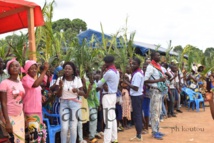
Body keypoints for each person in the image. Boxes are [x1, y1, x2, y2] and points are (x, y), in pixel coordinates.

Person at [55, 61, 85, 143]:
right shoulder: (60, 79)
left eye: (69, 69)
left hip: (75, 104)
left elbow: (83, 93)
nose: (67, 70)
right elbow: (58, 95)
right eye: (65, 69)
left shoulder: (77, 79)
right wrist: (61, 87)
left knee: (73, 127)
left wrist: (77, 91)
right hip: (63, 104)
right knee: (64, 128)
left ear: (73, 71)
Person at [21, 60, 49, 142]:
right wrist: (44, 70)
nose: (34, 70)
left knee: (39, 135)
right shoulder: (25, 79)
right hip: (30, 112)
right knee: (34, 136)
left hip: (37, 111)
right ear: (27, 70)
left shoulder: (34, 79)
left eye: (35, 68)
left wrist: (41, 96)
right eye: (31, 69)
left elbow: (35, 90)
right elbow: (35, 85)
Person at [0, 58, 25, 143]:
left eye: (17, 66)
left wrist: (23, 115)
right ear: (8, 69)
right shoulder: (4, 83)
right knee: (13, 139)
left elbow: (21, 100)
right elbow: (3, 103)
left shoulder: (20, 82)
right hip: (10, 116)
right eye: (12, 66)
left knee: (20, 140)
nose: (14, 67)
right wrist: (7, 122)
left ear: (20, 69)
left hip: (20, 116)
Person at [97, 55, 120, 143]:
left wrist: (102, 72)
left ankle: (107, 140)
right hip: (113, 96)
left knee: (107, 120)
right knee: (112, 118)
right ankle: (114, 139)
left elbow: (99, 84)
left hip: (107, 97)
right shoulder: (116, 72)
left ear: (107, 63)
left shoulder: (108, 73)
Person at [144, 52, 167, 140]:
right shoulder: (150, 67)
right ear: (153, 57)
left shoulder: (157, 66)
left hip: (159, 91)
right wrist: (159, 80)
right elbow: (145, 81)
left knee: (158, 112)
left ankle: (156, 130)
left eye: (159, 55)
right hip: (154, 92)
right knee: (155, 112)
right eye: (157, 55)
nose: (159, 56)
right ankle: (154, 132)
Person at [123, 57, 144, 141]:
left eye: (134, 64)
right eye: (132, 63)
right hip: (137, 96)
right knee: (137, 114)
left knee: (137, 115)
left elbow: (135, 88)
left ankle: (139, 134)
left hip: (137, 96)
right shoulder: (136, 72)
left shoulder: (138, 74)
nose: (132, 65)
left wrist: (126, 82)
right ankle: (138, 134)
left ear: (138, 65)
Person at [86, 72, 99, 143]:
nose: (93, 76)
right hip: (88, 104)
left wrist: (98, 104)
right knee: (93, 119)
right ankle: (91, 137)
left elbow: (95, 95)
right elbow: (88, 94)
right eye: (91, 75)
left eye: (93, 75)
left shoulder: (94, 84)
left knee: (94, 120)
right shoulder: (87, 83)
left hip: (94, 104)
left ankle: (93, 134)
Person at [141, 62, 150, 134]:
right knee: (141, 111)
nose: (144, 69)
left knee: (146, 111)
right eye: (143, 67)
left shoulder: (149, 76)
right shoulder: (141, 74)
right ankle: (144, 125)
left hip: (147, 95)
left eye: (146, 68)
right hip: (141, 95)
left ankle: (146, 127)